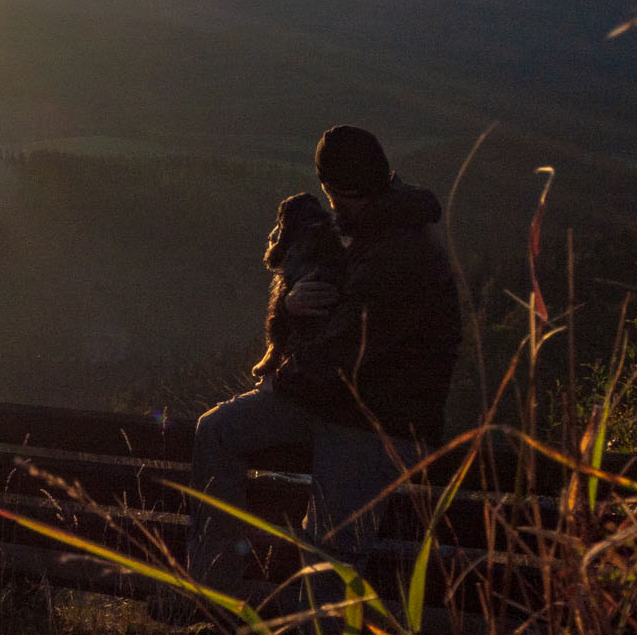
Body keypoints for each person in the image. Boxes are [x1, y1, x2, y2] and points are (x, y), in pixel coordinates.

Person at [188, 124, 462, 601]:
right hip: (330, 401)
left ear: (335, 190)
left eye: (331, 194)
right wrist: (291, 305)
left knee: (330, 559)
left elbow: (348, 354)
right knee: (216, 431)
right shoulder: (378, 233)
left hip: (374, 424)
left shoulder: (399, 253)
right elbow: (338, 331)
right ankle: (215, 597)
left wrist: (283, 381)